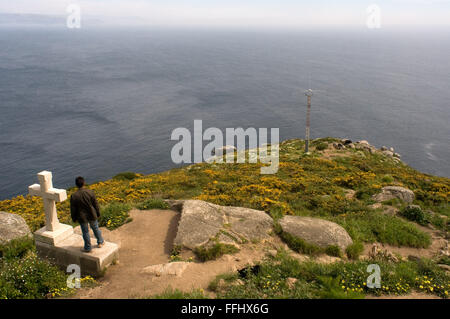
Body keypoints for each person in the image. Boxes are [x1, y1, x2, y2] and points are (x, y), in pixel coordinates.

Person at [70, 176, 104, 252]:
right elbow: (95, 204)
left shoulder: (74, 196)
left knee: (85, 232)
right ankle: (100, 242)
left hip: (81, 216)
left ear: (76, 184)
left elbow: (73, 209)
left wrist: (74, 218)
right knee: (95, 228)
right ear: (84, 183)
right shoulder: (90, 192)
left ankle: (88, 247)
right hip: (92, 213)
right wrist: (98, 213)